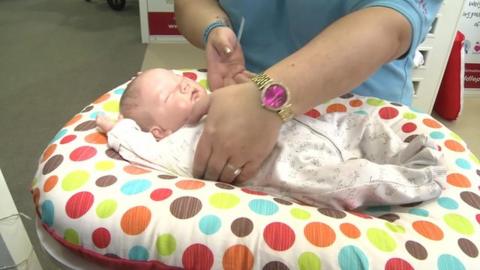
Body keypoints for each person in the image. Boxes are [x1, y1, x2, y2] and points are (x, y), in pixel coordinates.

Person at [96, 68, 445, 210]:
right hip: (296, 167)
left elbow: (273, 98)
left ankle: (406, 152)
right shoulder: (172, 145)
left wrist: (251, 87)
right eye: (169, 94)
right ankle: (416, 180)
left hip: (315, 128)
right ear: (158, 130)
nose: (184, 83)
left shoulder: (219, 97)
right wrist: (116, 126)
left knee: (359, 124)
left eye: (177, 78)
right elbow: (136, 145)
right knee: (353, 178)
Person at [173, 0, 444, 182]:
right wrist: (214, 28)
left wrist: (267, 98)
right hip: (238, 93)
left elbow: (391, 21)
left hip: (356, 119)